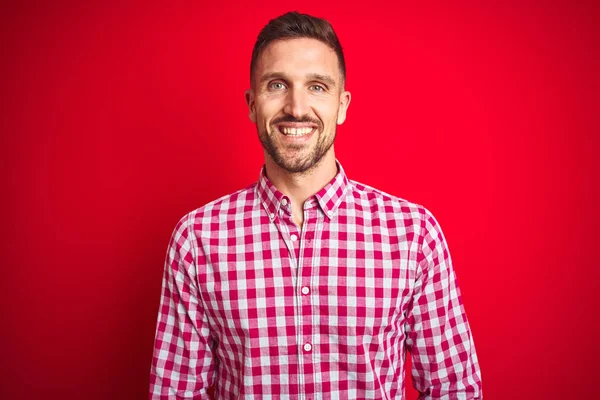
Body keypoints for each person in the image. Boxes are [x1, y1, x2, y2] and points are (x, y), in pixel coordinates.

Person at [149, 11, 482, 399]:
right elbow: (175, 393)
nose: (297, 107)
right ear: (252, 103)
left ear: (342, 105)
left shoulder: (413, 235)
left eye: (317, 87)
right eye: (277, 85)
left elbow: (453, 389)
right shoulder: (197, 239)